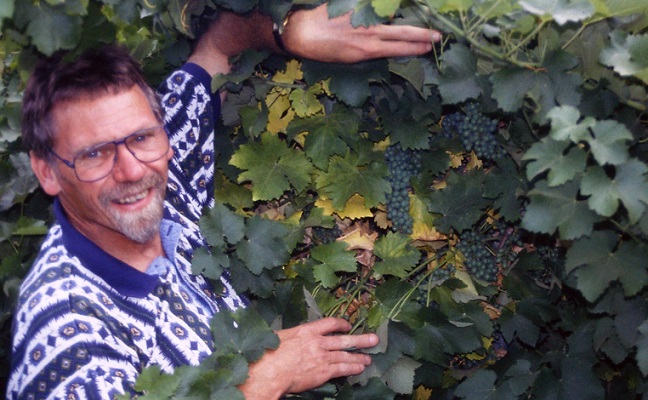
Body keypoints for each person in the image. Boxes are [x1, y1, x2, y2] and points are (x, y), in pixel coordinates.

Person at [8, 3, 441, 399]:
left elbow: (220, 45)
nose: (132, 170)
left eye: (142, 136)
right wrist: (261, 380)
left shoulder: (165, 172)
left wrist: (287, 30)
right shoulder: (63, 328)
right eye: (94, 154)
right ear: (47, 169)